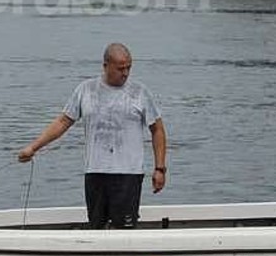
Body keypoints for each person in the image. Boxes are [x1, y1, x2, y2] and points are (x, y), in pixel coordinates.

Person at [18, 42, 167, 229]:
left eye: (129, 68)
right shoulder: (86, 90)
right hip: (95, 172)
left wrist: (160, 168)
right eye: (120, 68)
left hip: (128, 174)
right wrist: (33, 147)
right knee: (97, 226)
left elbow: (158, 130)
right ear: (105, 66)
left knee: (124, 229)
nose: (126, 73)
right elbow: (63, 122)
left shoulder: (140, 92)